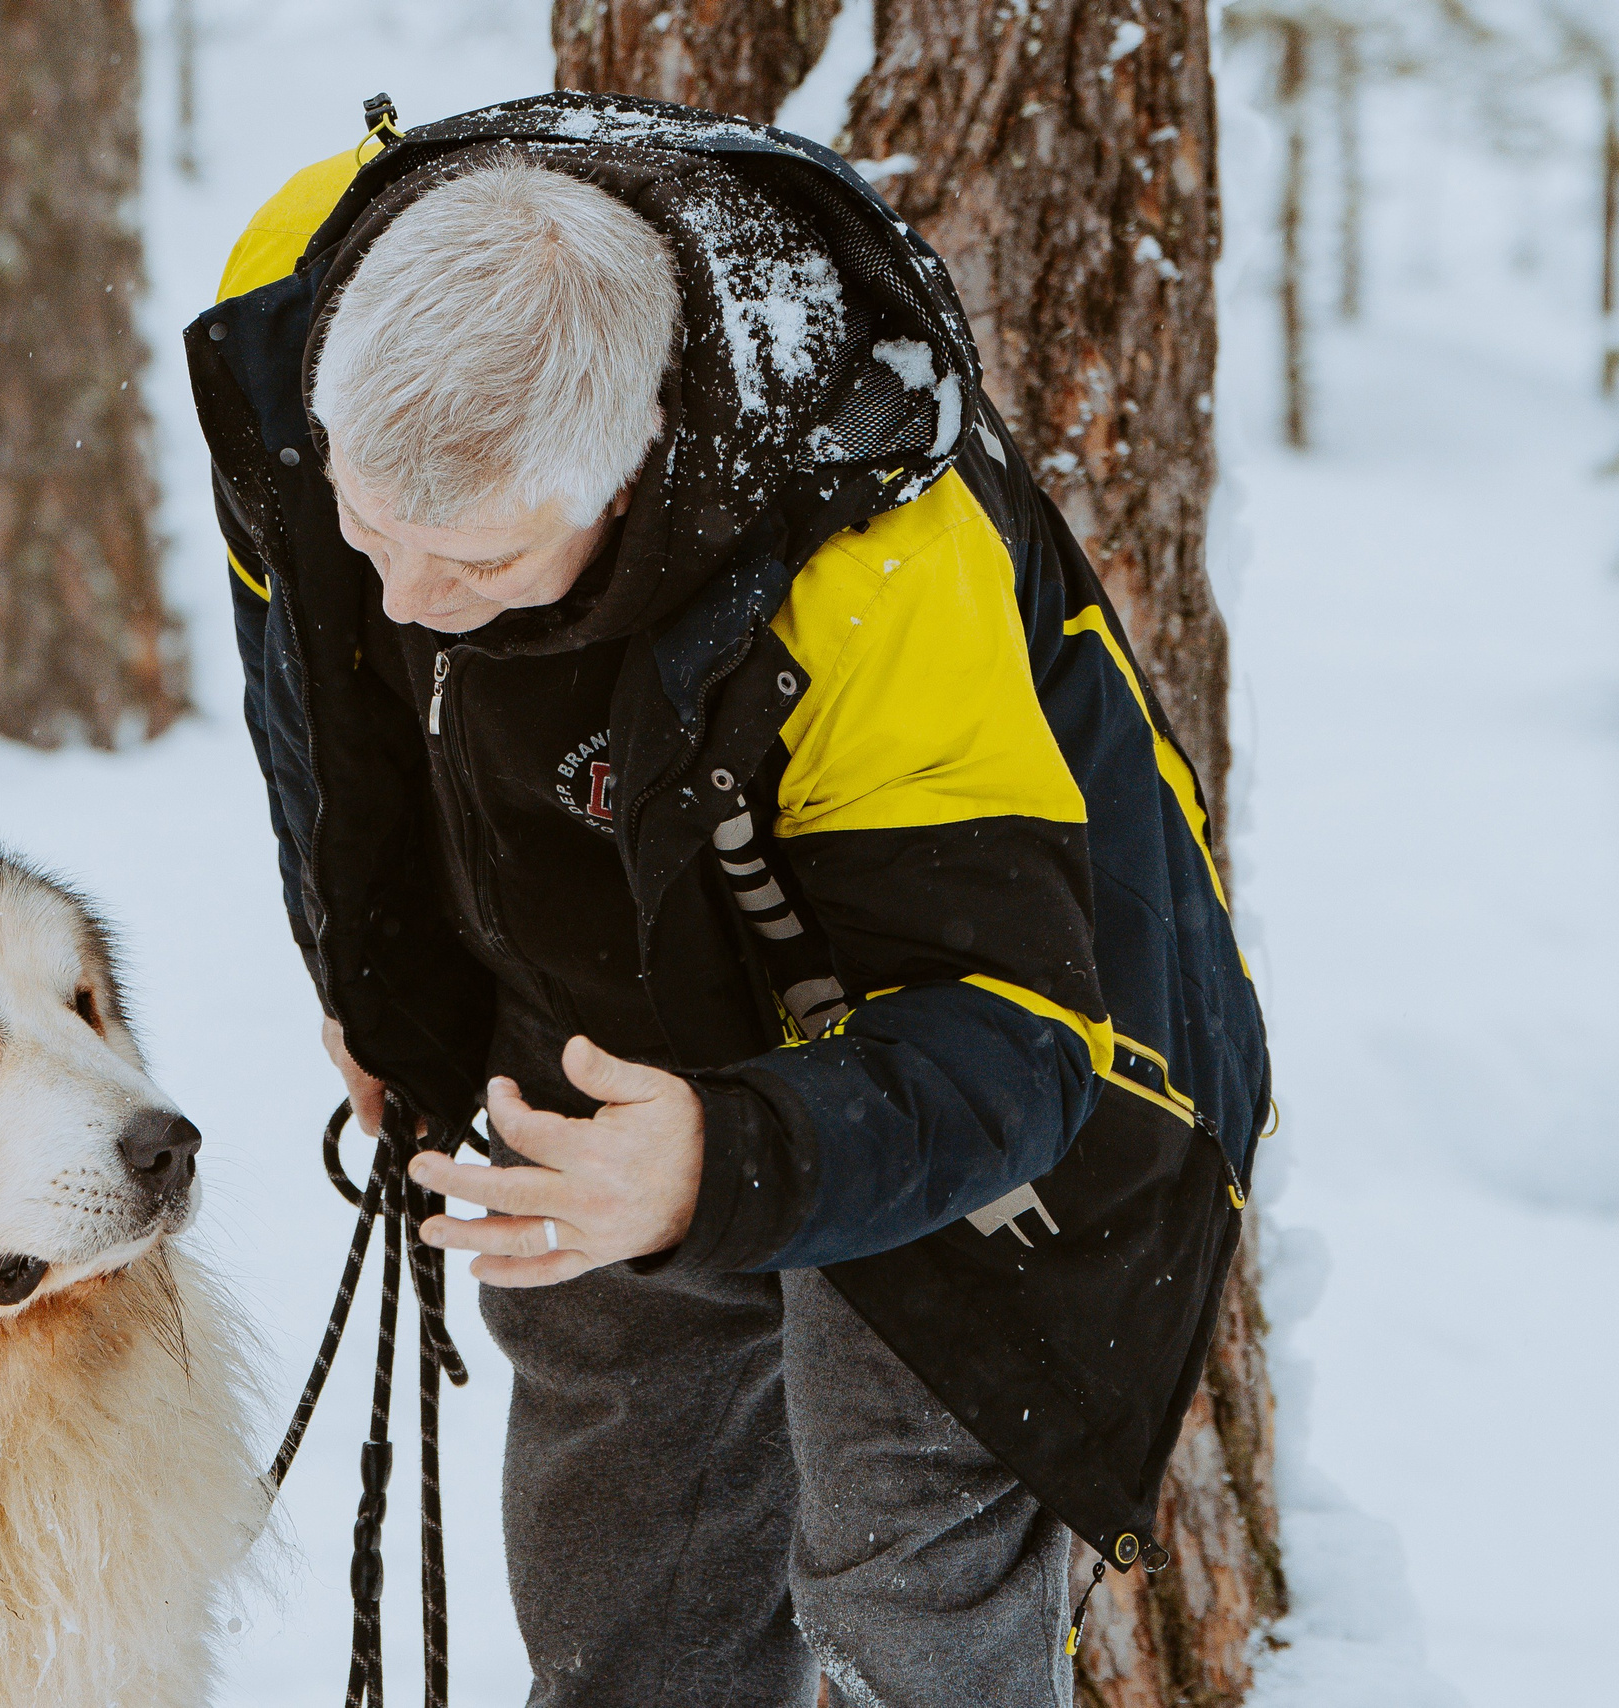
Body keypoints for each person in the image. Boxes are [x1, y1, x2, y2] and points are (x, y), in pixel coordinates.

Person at [186, 93, 1268, 1708]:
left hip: (966, 1055)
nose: (406, 595)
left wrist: (719, 1157)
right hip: (608, 949)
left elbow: (1015, 1033)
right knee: (628, 1556)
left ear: (623, 478)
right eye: (369, 526)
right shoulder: (303, 315)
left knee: (899, 1563)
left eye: (473, 565)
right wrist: (380, 991)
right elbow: (326, 705)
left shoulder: (874, 569)